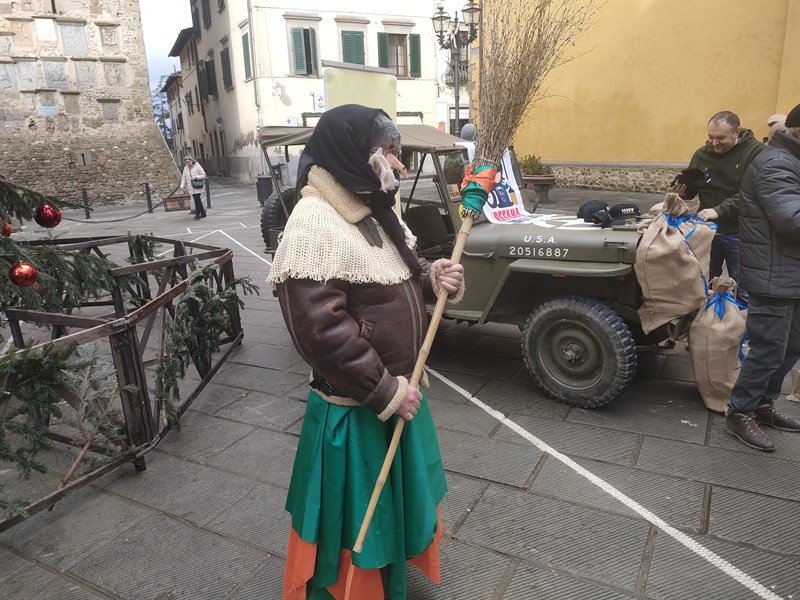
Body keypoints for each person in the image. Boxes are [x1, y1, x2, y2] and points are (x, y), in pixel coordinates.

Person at [267, 104, 464, 599]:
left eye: (397, 152)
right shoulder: (315, 220)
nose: (398, 165)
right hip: (359, 408)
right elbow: (319, 330)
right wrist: (383, 390)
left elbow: (399, 269)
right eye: (389, 152)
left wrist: (431, 276)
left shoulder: (372, 208)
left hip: (395, 394)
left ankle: (386, 575)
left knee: (388, 511)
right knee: (354, 517)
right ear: (354, 155)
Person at [725, 103, 800, 452]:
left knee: (791, 346)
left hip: (790, 273)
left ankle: (765, 405)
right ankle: (740, 412)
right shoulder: (776, 164)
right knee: (768, 349)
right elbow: (791, 220)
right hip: (774, 274)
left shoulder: (791, 161)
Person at [674, 112, 764, 305]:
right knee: (703, 286)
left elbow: (752, 192)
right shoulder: (701, 154)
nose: (714, 143)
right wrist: (682, 191)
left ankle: (742, 330)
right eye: (710, 137)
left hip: (740, 232)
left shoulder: (756, 152)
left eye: (721, 138)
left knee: (744, 289)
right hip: (706, 231)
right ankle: (706, 328)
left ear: (737, 132)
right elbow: (693, 190)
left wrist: (719, 210)